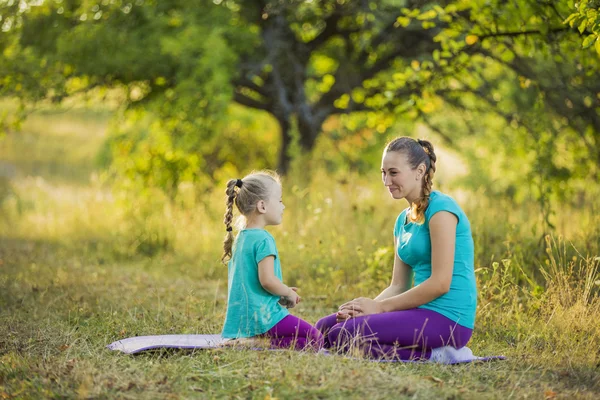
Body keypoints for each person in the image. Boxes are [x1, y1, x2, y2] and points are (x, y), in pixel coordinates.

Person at [315, 137, 477, 360]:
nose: (386, 180)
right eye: (383, 172)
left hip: (449, 318)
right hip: (419, 312)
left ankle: (438, 356)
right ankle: (423, 351)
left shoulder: (442, 211)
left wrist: (380, 309)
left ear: (419, 171)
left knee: (343, 336)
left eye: (393, 172)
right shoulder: (402, 220)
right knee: (322, 328)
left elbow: (441, 283)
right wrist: (365, 310)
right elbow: (398, 285)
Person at [221, 171, 324, 350]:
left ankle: (250, 342)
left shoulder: (241, 238)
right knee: (315, 339)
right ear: (262, 206)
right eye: (280, 200)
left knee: (304, 337)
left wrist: (281, 291)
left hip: (245, 319)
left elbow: (252, 282)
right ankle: (255, 344)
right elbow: (267, 280)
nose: (283, 206)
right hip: (264, 317)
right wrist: (288, 293)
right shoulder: (263, 239)